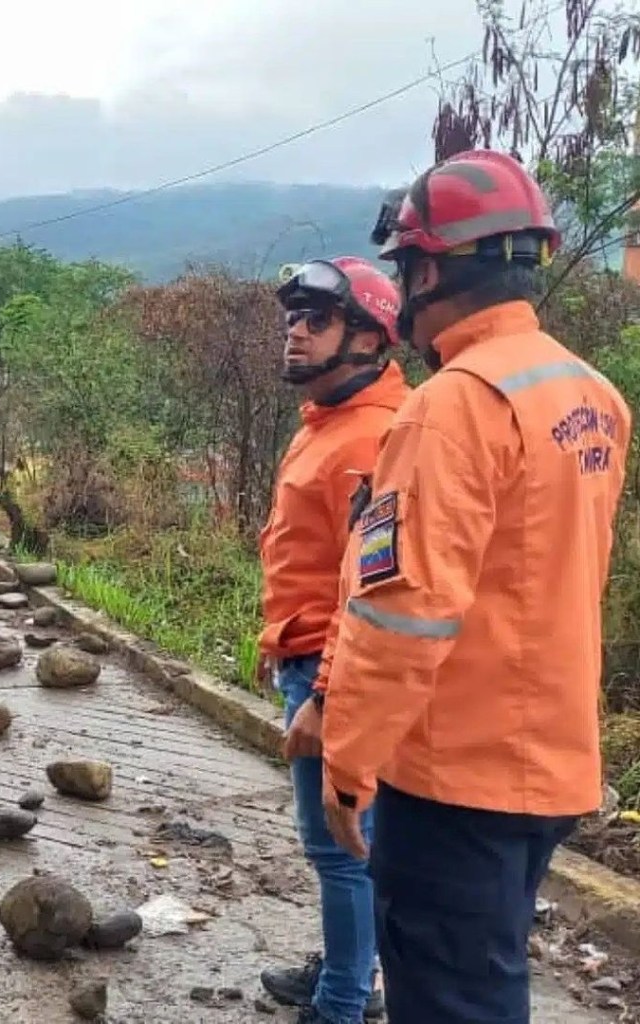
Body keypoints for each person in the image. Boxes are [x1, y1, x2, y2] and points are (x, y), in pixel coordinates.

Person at [318, 149, 632, 1024]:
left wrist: (348, 761)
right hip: (553, 763)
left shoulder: (452, 405)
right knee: (485, 975)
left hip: (457, 773)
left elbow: (405, 610)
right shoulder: (590, 394)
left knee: (453, 996)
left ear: (425, 270)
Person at [257, 256, 407, 1024]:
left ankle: (345, 1001)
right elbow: (303, 553)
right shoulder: (326, 423)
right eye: (292, 320)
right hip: (304, 651)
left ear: (370, 338)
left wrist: (322, 692)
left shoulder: (372, 439)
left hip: (332, 667)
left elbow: (371, 585)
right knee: (341, 844)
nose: (296, 333)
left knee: (342, 847)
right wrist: (276, 643)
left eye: (317, 321)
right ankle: (347, 973)